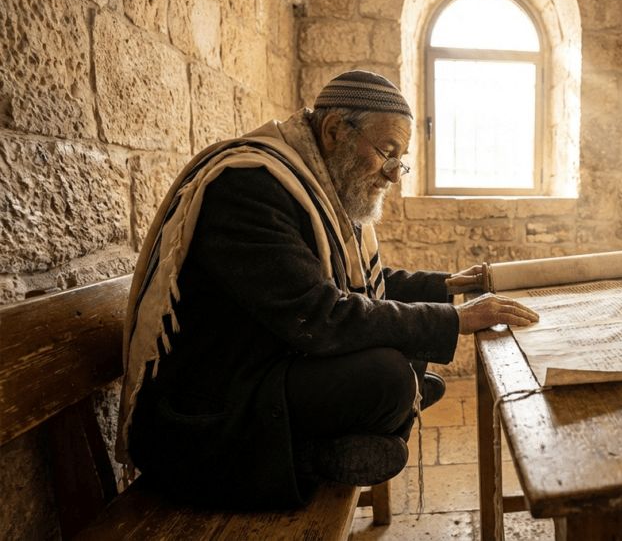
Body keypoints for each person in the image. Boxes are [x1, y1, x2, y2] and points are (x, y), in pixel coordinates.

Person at [114, 70, 539, 509]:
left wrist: (446, 287)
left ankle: (366, 425)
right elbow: (317, 313)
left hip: (271, 366)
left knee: (407, 345)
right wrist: (455, 319)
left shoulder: (314, 185)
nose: (393, 175)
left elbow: (360, 284)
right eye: (387, 153)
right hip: (215, 410)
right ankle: (312, 457)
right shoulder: (248, 185)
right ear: (335, 129)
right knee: (390, 377)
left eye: (401, 158)